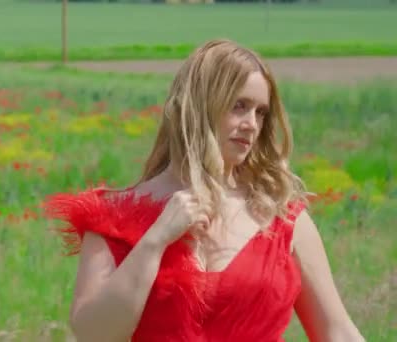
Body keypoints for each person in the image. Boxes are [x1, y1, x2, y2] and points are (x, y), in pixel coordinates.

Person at [43, 39, 365, 342]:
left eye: (260, 112)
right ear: (200, 106)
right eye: (239, 106)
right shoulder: (114, 217)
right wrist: (156, 240)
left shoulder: (282, 218)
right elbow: (94, 334)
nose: (252, 123)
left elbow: (337, 332)